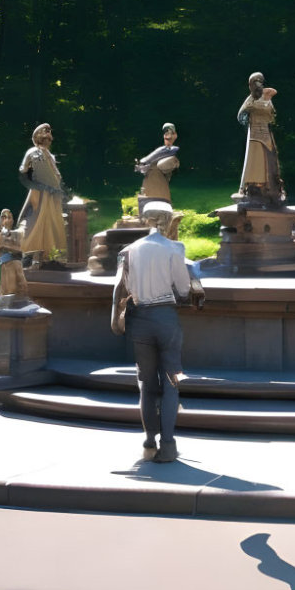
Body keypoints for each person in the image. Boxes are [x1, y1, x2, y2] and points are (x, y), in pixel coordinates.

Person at [111, 201, 202, 463]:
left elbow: (121, 288)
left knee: (146, 384)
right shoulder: (174, 248)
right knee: (173, 382)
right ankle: (169, 445)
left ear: (145, 220)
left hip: (139, 320)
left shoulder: (127, 251)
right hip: (166, 318)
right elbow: (184, 289)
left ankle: (149, 442)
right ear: (167, 220)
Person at [17, 123, 68, 260]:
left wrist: (60, 190)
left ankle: (49, 254)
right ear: (39, 138)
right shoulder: (32, 152)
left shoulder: (50, 155)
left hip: (53, 193)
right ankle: (28, 252)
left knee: (52, 222)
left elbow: (56, 174)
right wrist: (33, 186)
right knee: (35, 221)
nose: (49, 139)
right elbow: (23, 172)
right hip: (39, 192)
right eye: (46, 137)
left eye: (49, 137)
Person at [237, 72, 285, 206]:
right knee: (256, 163)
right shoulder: (250, 99)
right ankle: (255, 191)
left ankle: (272, 191)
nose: (258, 84)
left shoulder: (267, 98)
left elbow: (272, 116)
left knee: (270, 161)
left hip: (267, 134)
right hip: (255, 135)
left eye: (260, 81)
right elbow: (241, 115)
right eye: (255, 82)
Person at [0, 208, 28, 301]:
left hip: (17, 264)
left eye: (9, 217)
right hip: (8, 265)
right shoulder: (1, 234)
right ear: (1, 220)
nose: (7, 220)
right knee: (9, 290)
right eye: (4, 217)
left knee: (22, 288)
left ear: (13, 220)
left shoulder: (13, 233)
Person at [135, 122, 180, 202]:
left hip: (167, 161)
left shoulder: (173, 149)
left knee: (158, 166)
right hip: (156, 168)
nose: (167, 134)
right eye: (166, 131)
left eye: (170, 131)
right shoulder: (162, 148)